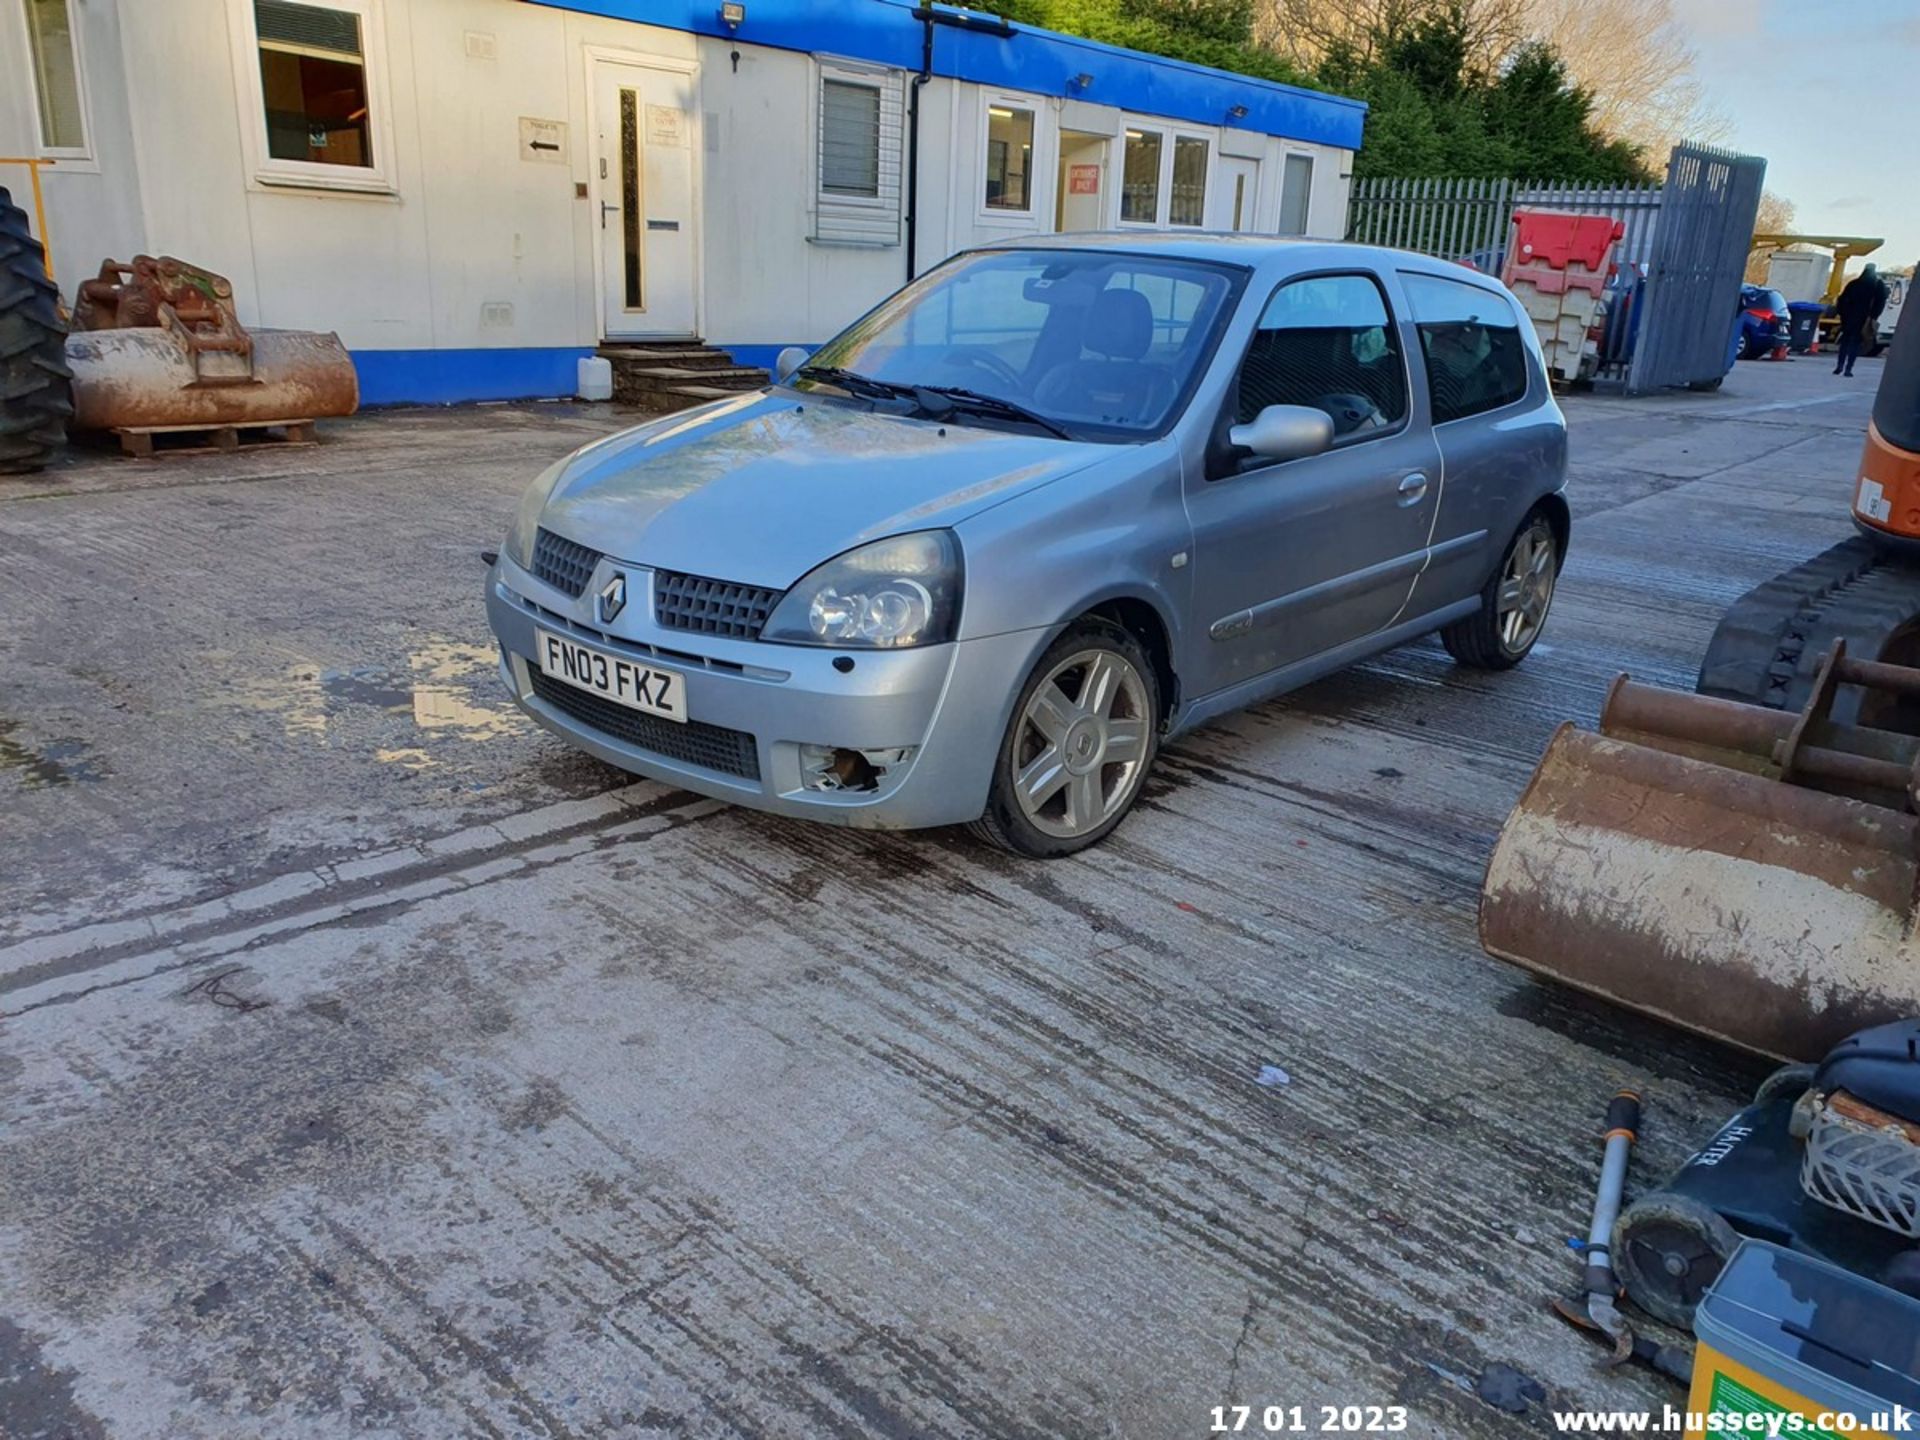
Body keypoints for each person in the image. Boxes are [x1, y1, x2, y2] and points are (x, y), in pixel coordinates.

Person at [1834, 263, 1890, 376]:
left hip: (1849, 319)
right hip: (1864, 320)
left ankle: (1839, 366)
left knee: (1845, 342)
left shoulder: (1854, 283)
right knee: (1855, 344)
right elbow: (1880, 303)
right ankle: (1849, 369)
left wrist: (1843, 314)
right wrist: (1873, 317)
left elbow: (1842, 300)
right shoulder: (1877, 285)